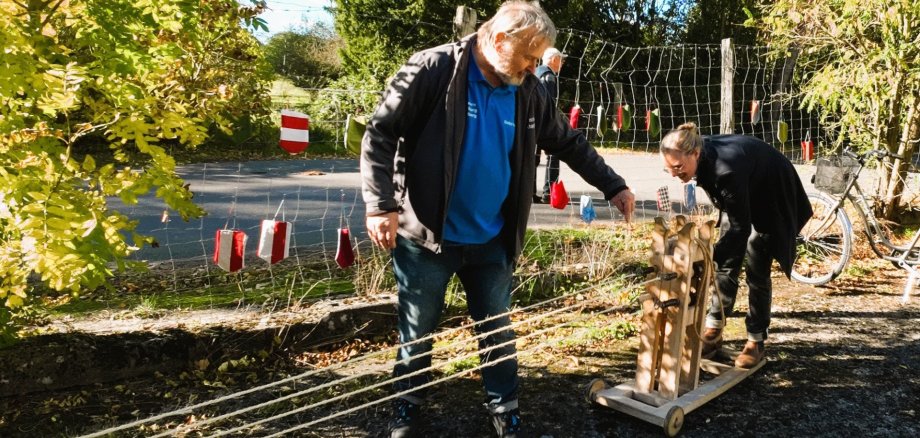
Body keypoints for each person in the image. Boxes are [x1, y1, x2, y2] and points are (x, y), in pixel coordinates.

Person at [360, 2, 635, 437]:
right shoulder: (433, 70)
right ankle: (408, 407)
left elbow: (568, 142)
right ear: (500, 40)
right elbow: (380, 133)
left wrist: (613, 185)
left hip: (492, 236)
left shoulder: (527, 90)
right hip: (428, 237)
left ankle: (504, 408)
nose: (534, 65)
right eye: (529, 55)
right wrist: (380, 204)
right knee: (418, 326)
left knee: (496, 326)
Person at [659, 122, 812, 369]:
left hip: (773, 197)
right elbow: (734, 221)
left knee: (757, 267)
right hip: (744, 191)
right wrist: (714, 258)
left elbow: (740, 230)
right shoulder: (699, 151)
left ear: (695, 154)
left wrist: (707, 257)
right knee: (726, 263)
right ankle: (714, 328)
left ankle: (756, 341)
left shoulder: (725, 170)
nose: (675, 174)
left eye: (678, 167)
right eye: (669, 170)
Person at [533, 47, 565, 203]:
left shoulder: (536, 72)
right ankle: (549, 193)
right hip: (543, 123)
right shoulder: (549, 76)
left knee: (533, 159)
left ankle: (530, 193)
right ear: (553, 59)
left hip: (530, 122)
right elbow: (548, 102)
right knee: (554, 156)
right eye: (561, 59)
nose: (562, 63)